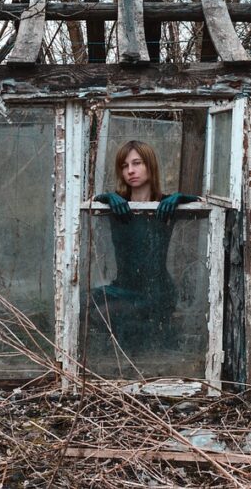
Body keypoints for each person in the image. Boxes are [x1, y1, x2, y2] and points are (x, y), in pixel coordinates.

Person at [88, 140, 201, 350]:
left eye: (137, 163)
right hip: (123, 287)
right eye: (124, 166)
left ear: (150, 165)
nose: (130, 170)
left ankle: (151, 348)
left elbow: (207, 207)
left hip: (156, 291)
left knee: (106, 313)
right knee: (85, 304)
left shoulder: (166, 205)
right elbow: (87, 204)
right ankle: (136, 351)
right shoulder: (116, 205)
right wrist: (105, 197)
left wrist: (182, 199)